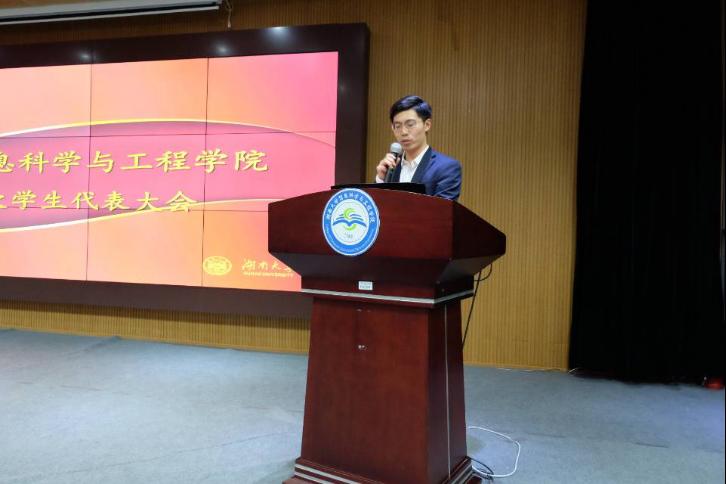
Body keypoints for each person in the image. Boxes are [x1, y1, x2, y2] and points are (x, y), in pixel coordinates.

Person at [375, 95, 462, 201]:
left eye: (410, 124)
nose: (403, 132)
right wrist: (380, 179)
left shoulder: (446, 167)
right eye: (398, 126)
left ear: (427, 125)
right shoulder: (390, 168)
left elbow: (443, 210)